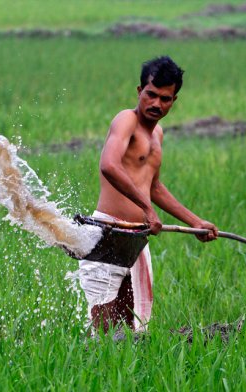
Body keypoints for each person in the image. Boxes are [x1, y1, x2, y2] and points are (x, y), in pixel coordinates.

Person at [77, 56, 218, 333]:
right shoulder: (126, 120)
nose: (156, 104)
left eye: (165, 99)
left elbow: (153, 187)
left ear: (174, 100)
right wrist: (148, 210)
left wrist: (195, 222)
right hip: (110, 232)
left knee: (133, 329)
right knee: (102, 331)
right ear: (140, 91)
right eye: (151, 95)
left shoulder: (157, 135)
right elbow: (109, 165)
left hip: (137, 238)